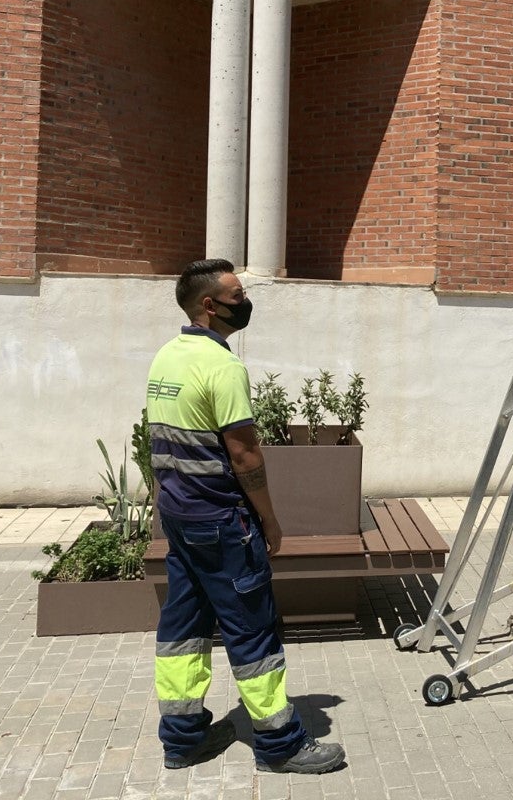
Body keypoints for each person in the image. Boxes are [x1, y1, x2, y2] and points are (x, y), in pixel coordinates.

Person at [146, 259, 345, 775]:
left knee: (183, 628)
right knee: (253, 631)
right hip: (220, 521)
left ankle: (182, 738)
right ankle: (280, 744)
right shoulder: (223, 367)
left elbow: (159, 444)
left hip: (180, 517)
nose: (245, 302)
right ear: (209, 305)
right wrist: (271, 522)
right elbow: (245, 455)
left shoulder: (166, 357)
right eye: (236, 295)